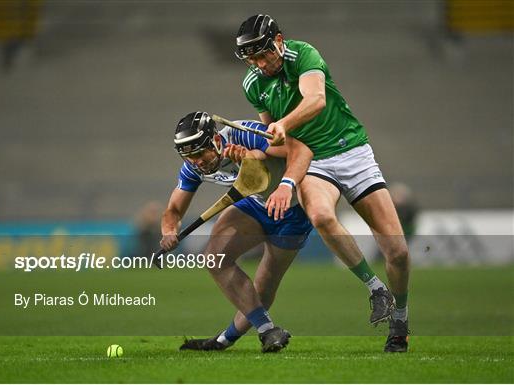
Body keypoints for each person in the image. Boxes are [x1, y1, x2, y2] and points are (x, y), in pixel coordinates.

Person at [234, 14, 411, 352]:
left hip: (352, 151)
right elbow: (278, 141)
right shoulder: (253, 83)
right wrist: (254, 150)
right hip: (312, 159)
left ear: (279, 41)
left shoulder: (304, 55)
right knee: (320, 215)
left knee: (398, 251)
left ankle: (400, 319)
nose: (260, 63)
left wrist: (284, 123)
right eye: (251, 58)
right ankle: (376, 289)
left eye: (264, 54)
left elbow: (316, 99)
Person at [160, 111, 314, 352]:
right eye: (189, 157)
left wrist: (254, 159)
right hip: (253, 203)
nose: (197, 162)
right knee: (214, 257)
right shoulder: (194, 167)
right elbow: (174, 209)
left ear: (216, 141)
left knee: (265, 285)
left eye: (200, 153)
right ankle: (268, 331)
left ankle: (223, 340)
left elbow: (297, 152)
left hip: (291, 211)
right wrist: (169, 231)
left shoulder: (244, 134)